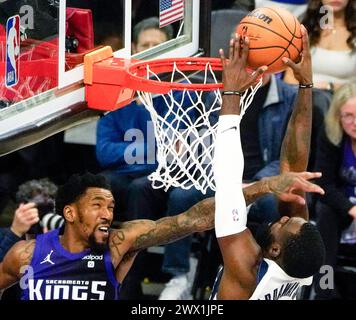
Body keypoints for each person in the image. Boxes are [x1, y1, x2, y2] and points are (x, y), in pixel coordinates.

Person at [0, 169, 324, 300]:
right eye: (97, 206)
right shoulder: (25, 255)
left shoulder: (121, 241)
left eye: (111, 207)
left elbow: (191, 220)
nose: (108, 214)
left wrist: (261, 188)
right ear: (70, 213)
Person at [211, 27, 325, 300]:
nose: (283, 217)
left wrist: (231, 95)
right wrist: (306, 86)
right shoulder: (298, 266)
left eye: (284, 223)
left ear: (274, 250)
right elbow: (294, 166)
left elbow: (227, 182)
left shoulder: (246, 268)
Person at [96, 17, 174, 221]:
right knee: (99, 184)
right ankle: (96, 251)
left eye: (156, 46)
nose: (150, 50)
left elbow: (171, 149)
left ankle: (139, 253)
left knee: (140, 189)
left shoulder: (180, 90)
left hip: (163, 176)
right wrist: (146, 148)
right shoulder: (117, 93)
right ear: (134, 49)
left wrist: (129, 147)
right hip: (125, 173)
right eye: (145, 45)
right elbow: (104, 153)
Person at [313, 83, 356, 299]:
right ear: (337, 116)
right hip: (342, 205)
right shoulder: (330, 135)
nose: (354, 123)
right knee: (325, 214)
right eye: (348, 116)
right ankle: (325, 289)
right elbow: (323, 184)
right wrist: (351, 208)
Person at [284, 0, 356, 93]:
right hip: (302, 97)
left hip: (344, 101)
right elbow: (289, 77)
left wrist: (329, 87)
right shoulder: (304, 28)